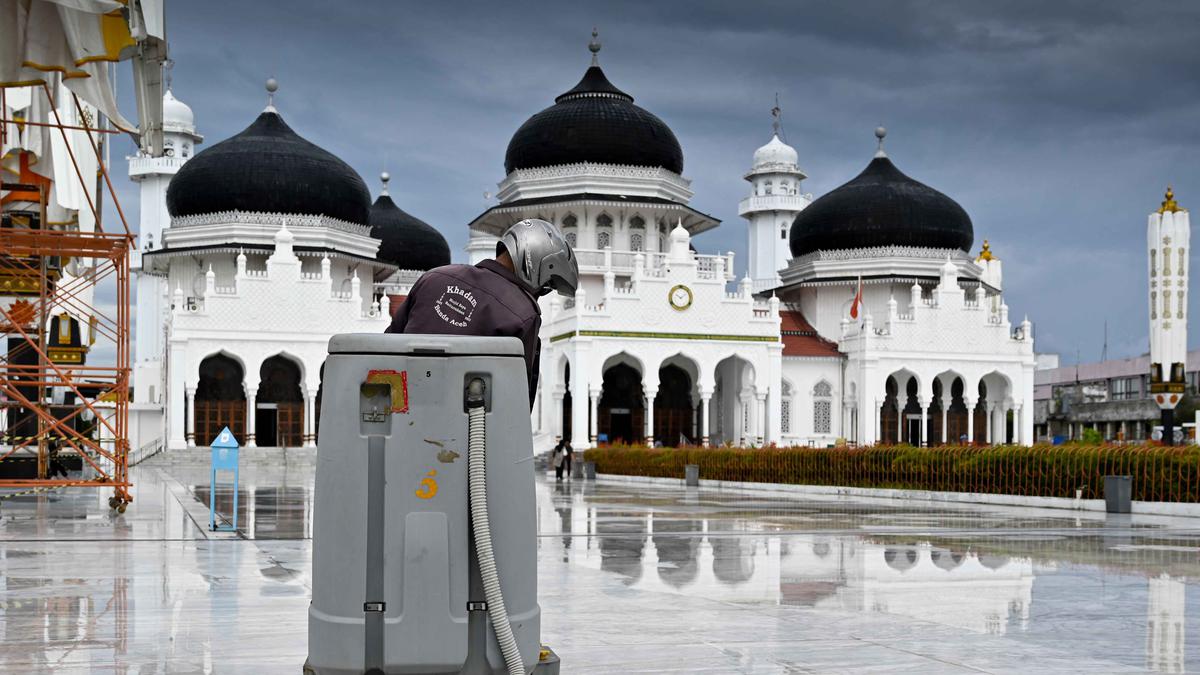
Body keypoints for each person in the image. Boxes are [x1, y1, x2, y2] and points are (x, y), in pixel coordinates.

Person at [385, 219, 578, 407]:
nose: (540, 293)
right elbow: (516, 400)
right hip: (470, 425)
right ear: (536, 264)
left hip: (398, 410)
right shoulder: (524, 313)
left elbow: (385, 346)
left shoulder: (434, 277)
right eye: (545, 286)